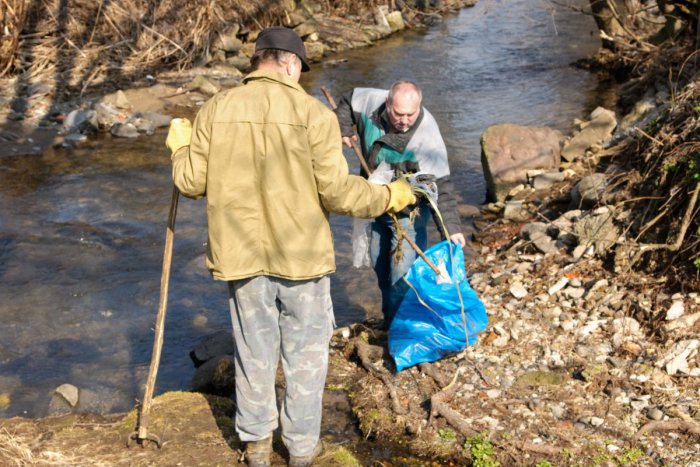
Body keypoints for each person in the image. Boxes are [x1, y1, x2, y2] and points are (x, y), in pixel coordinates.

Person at [164, 27, 416, 467]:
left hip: (240, 257)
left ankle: (257, 447)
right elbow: (339, 195)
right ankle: (301, 449)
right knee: (305, 356)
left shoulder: (215, 108)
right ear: (291, 64)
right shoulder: (314, 116)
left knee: (253, 352)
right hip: (302, 259)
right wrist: (389, 196)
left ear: (260, 60)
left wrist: (181, 147)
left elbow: (189, 182)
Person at [334, 81, 466, 329]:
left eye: (410, 114)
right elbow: (347, 100)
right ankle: (390, 321)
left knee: (402, 276)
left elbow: (442, 187)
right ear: (387, 104)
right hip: (376, 202)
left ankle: (403, 329)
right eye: (399, 114)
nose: (404, 120)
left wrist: (451, 229)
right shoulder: (370, 100)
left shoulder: (427, 137)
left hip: (409, 212)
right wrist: (343, 128)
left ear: (419, 108)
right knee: (380, 265)